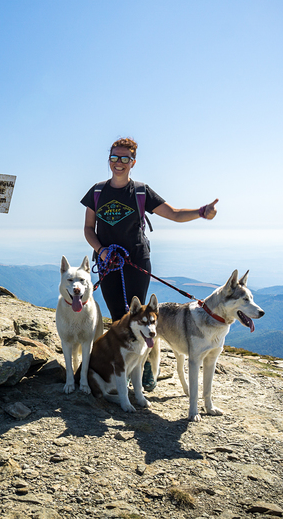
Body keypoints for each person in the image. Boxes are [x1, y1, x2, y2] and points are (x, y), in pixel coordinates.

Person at [81, 137, 218, 390]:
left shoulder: (141, 191)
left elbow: (174, 214)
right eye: (114, 157)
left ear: (133, 162)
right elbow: (89, 229)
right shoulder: (97, 191)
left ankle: (145, 368)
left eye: (124, 158)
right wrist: (100, 251)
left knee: (139, 318)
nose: (118, 163)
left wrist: (201, 212)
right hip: (109, 262)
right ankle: (122, 367)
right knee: (118, 318)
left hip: (136, 261)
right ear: (108, 159)